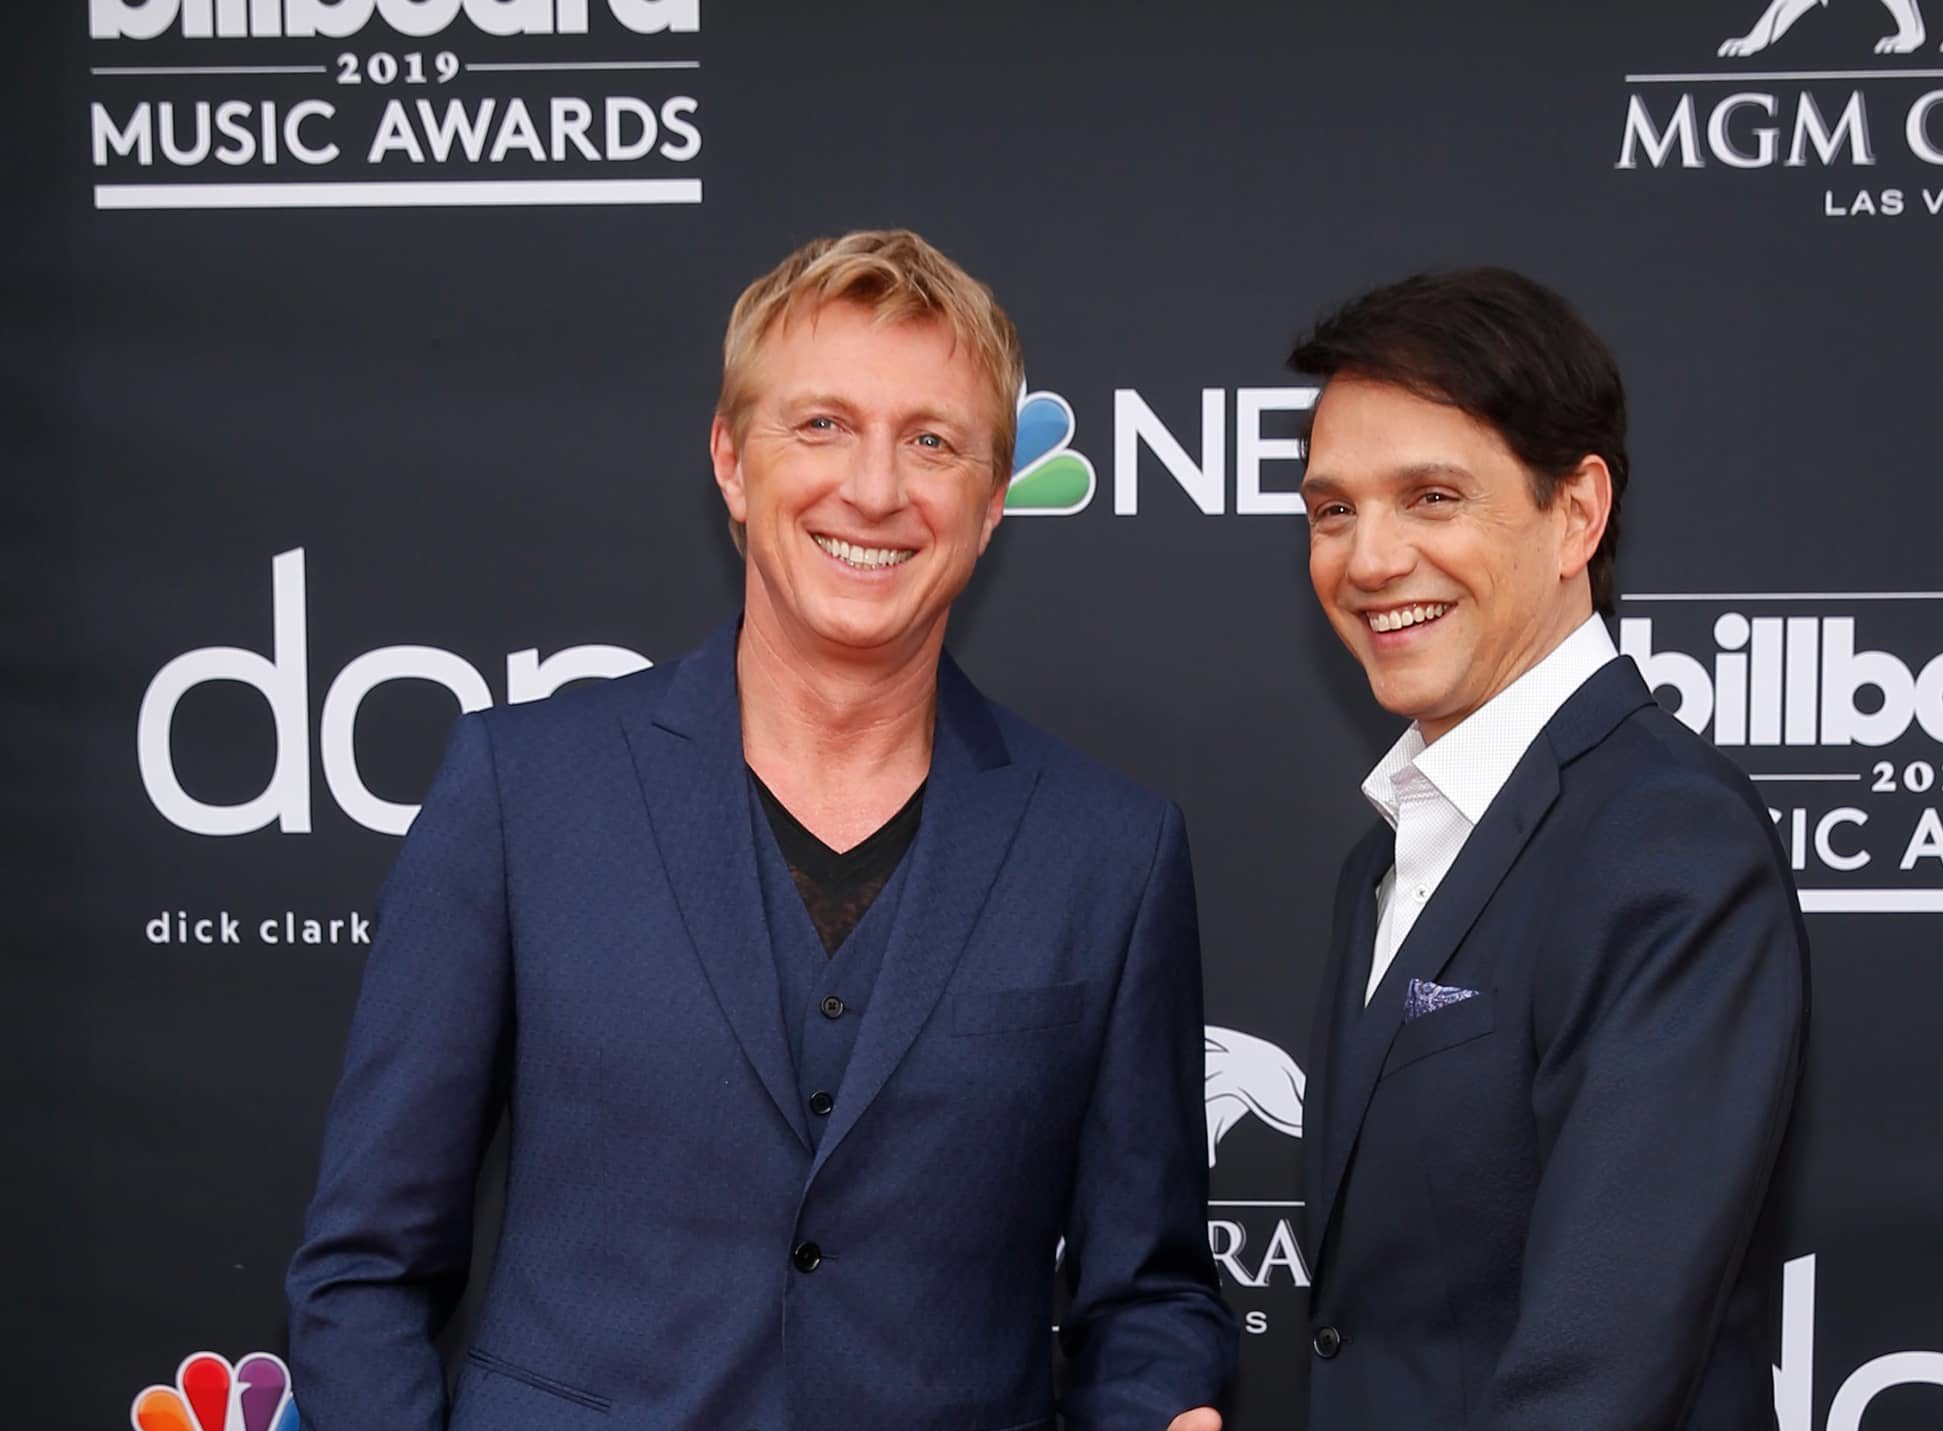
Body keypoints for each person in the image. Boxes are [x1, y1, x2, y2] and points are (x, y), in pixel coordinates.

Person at [286, 229, 1234, 1431]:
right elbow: (364, 1268)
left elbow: (1147, 1292)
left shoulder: (1110, 851)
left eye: (931, 442)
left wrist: (1159, 1406)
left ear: (992, 504)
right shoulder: (522, 789)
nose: (876, 489)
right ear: (732, 461)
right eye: (822, 425)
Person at [1288, 268, 1808, 1429]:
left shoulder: (1667, 843)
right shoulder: (1383, 856)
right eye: (1333, 509)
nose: (1367, 560)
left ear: (1576, 512)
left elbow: (1598, 1371)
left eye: (1429, 497)